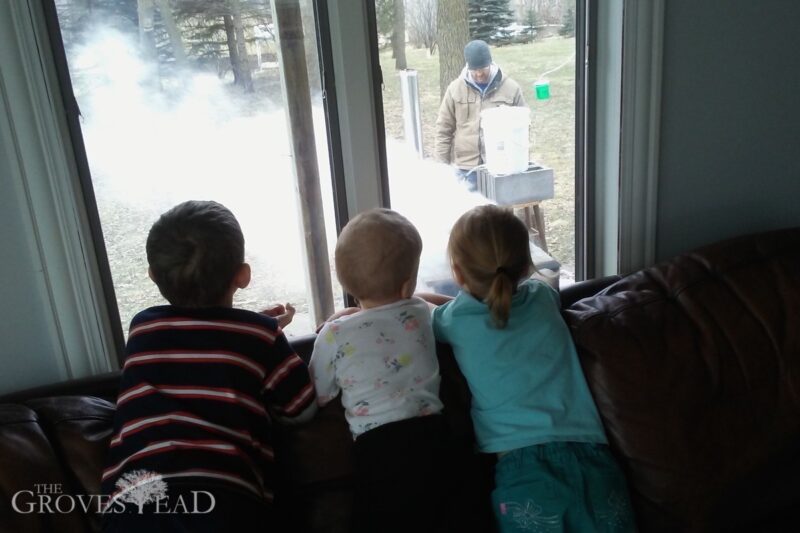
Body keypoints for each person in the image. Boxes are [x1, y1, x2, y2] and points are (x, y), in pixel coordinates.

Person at [101, 200, 316, 531]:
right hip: (225, 498)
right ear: (243, 276)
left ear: (153, 275)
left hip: (133, 500)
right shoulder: (259, 336)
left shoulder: (142, 328)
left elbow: (196, 340)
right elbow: (301, 408)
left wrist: (253, 329)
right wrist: (262, 335)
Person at [430, 204, 636, 532]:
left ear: (456, 273)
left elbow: (420, 313)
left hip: (524, 471)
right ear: (526, 265)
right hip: (595, 458)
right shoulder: (542, 296)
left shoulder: (453, 321)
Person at [309, 208, 449, 533]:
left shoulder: (334, 334)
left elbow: (318, 393)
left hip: (379, 447)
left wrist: (343, 317)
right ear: (407, 285)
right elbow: (452, 307)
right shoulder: (421, 312)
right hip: (435, 438)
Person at [435, 39, 527, 190]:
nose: (479, 74)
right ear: (467, 66)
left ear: (490, 63)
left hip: (502, 167)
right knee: (470, 213)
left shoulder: (511, 88)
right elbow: (443, 129)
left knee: (499, 213)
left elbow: (524, 126)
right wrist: (441, 167)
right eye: (474, 69)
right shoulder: (454, 89)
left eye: (483, 68)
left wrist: (518, 159)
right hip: (466, 168)